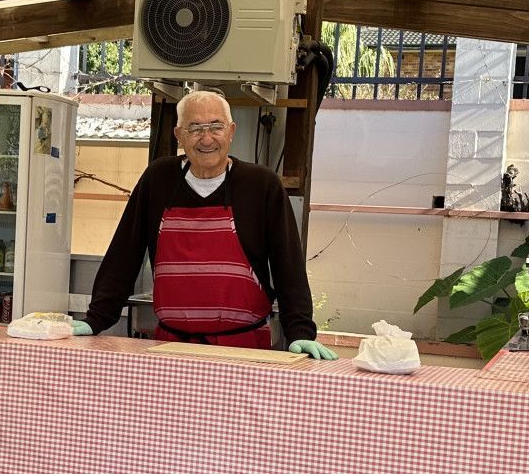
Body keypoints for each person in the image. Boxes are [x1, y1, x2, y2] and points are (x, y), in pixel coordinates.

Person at [74, 88, 335, 358]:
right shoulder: (158, 179)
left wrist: (301, 331)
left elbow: (288, 263)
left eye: (216, 127)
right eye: (195, 128)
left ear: (231, 131)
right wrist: (96, 318)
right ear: (179, 135)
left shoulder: (261, 184)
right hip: (171, 348)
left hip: (245, 350)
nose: (206, 138)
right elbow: (124, 254)